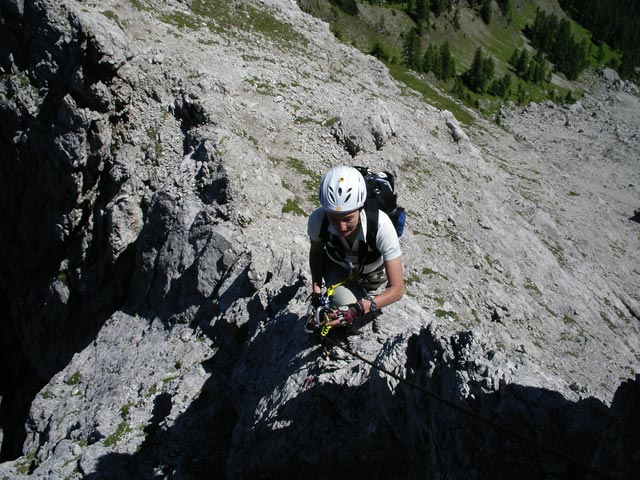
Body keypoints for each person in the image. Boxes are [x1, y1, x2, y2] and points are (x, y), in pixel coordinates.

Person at [307, 165, 404, 329]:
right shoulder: (318, 219)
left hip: (373, 275)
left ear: (360, 208)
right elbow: (316, 253)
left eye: (348, 218)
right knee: (339, 305)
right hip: (338, 267)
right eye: (333, 218)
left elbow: (397, 289)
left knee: (349, 316)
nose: (341, 226)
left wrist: (360, 308)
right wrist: (316, 288)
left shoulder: (381, 225)